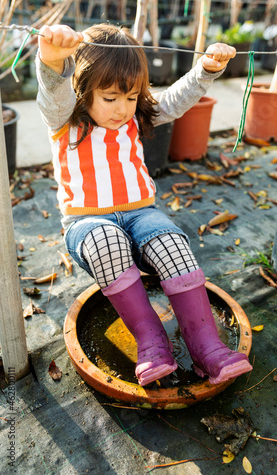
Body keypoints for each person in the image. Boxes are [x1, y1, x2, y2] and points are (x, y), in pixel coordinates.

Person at [36, 23, 252, 387]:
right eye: (110, 98)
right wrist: (52, 59)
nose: (122, 109)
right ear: (83, 89)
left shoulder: (134, 115)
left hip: (141, 214)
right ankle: (152, 341)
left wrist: (206, 70)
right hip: (88, 224)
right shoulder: (65, 119)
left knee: (172, 243)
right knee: (107, 240)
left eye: (131, 97)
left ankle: (207, 347)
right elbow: (53, 90)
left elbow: (171, 101)